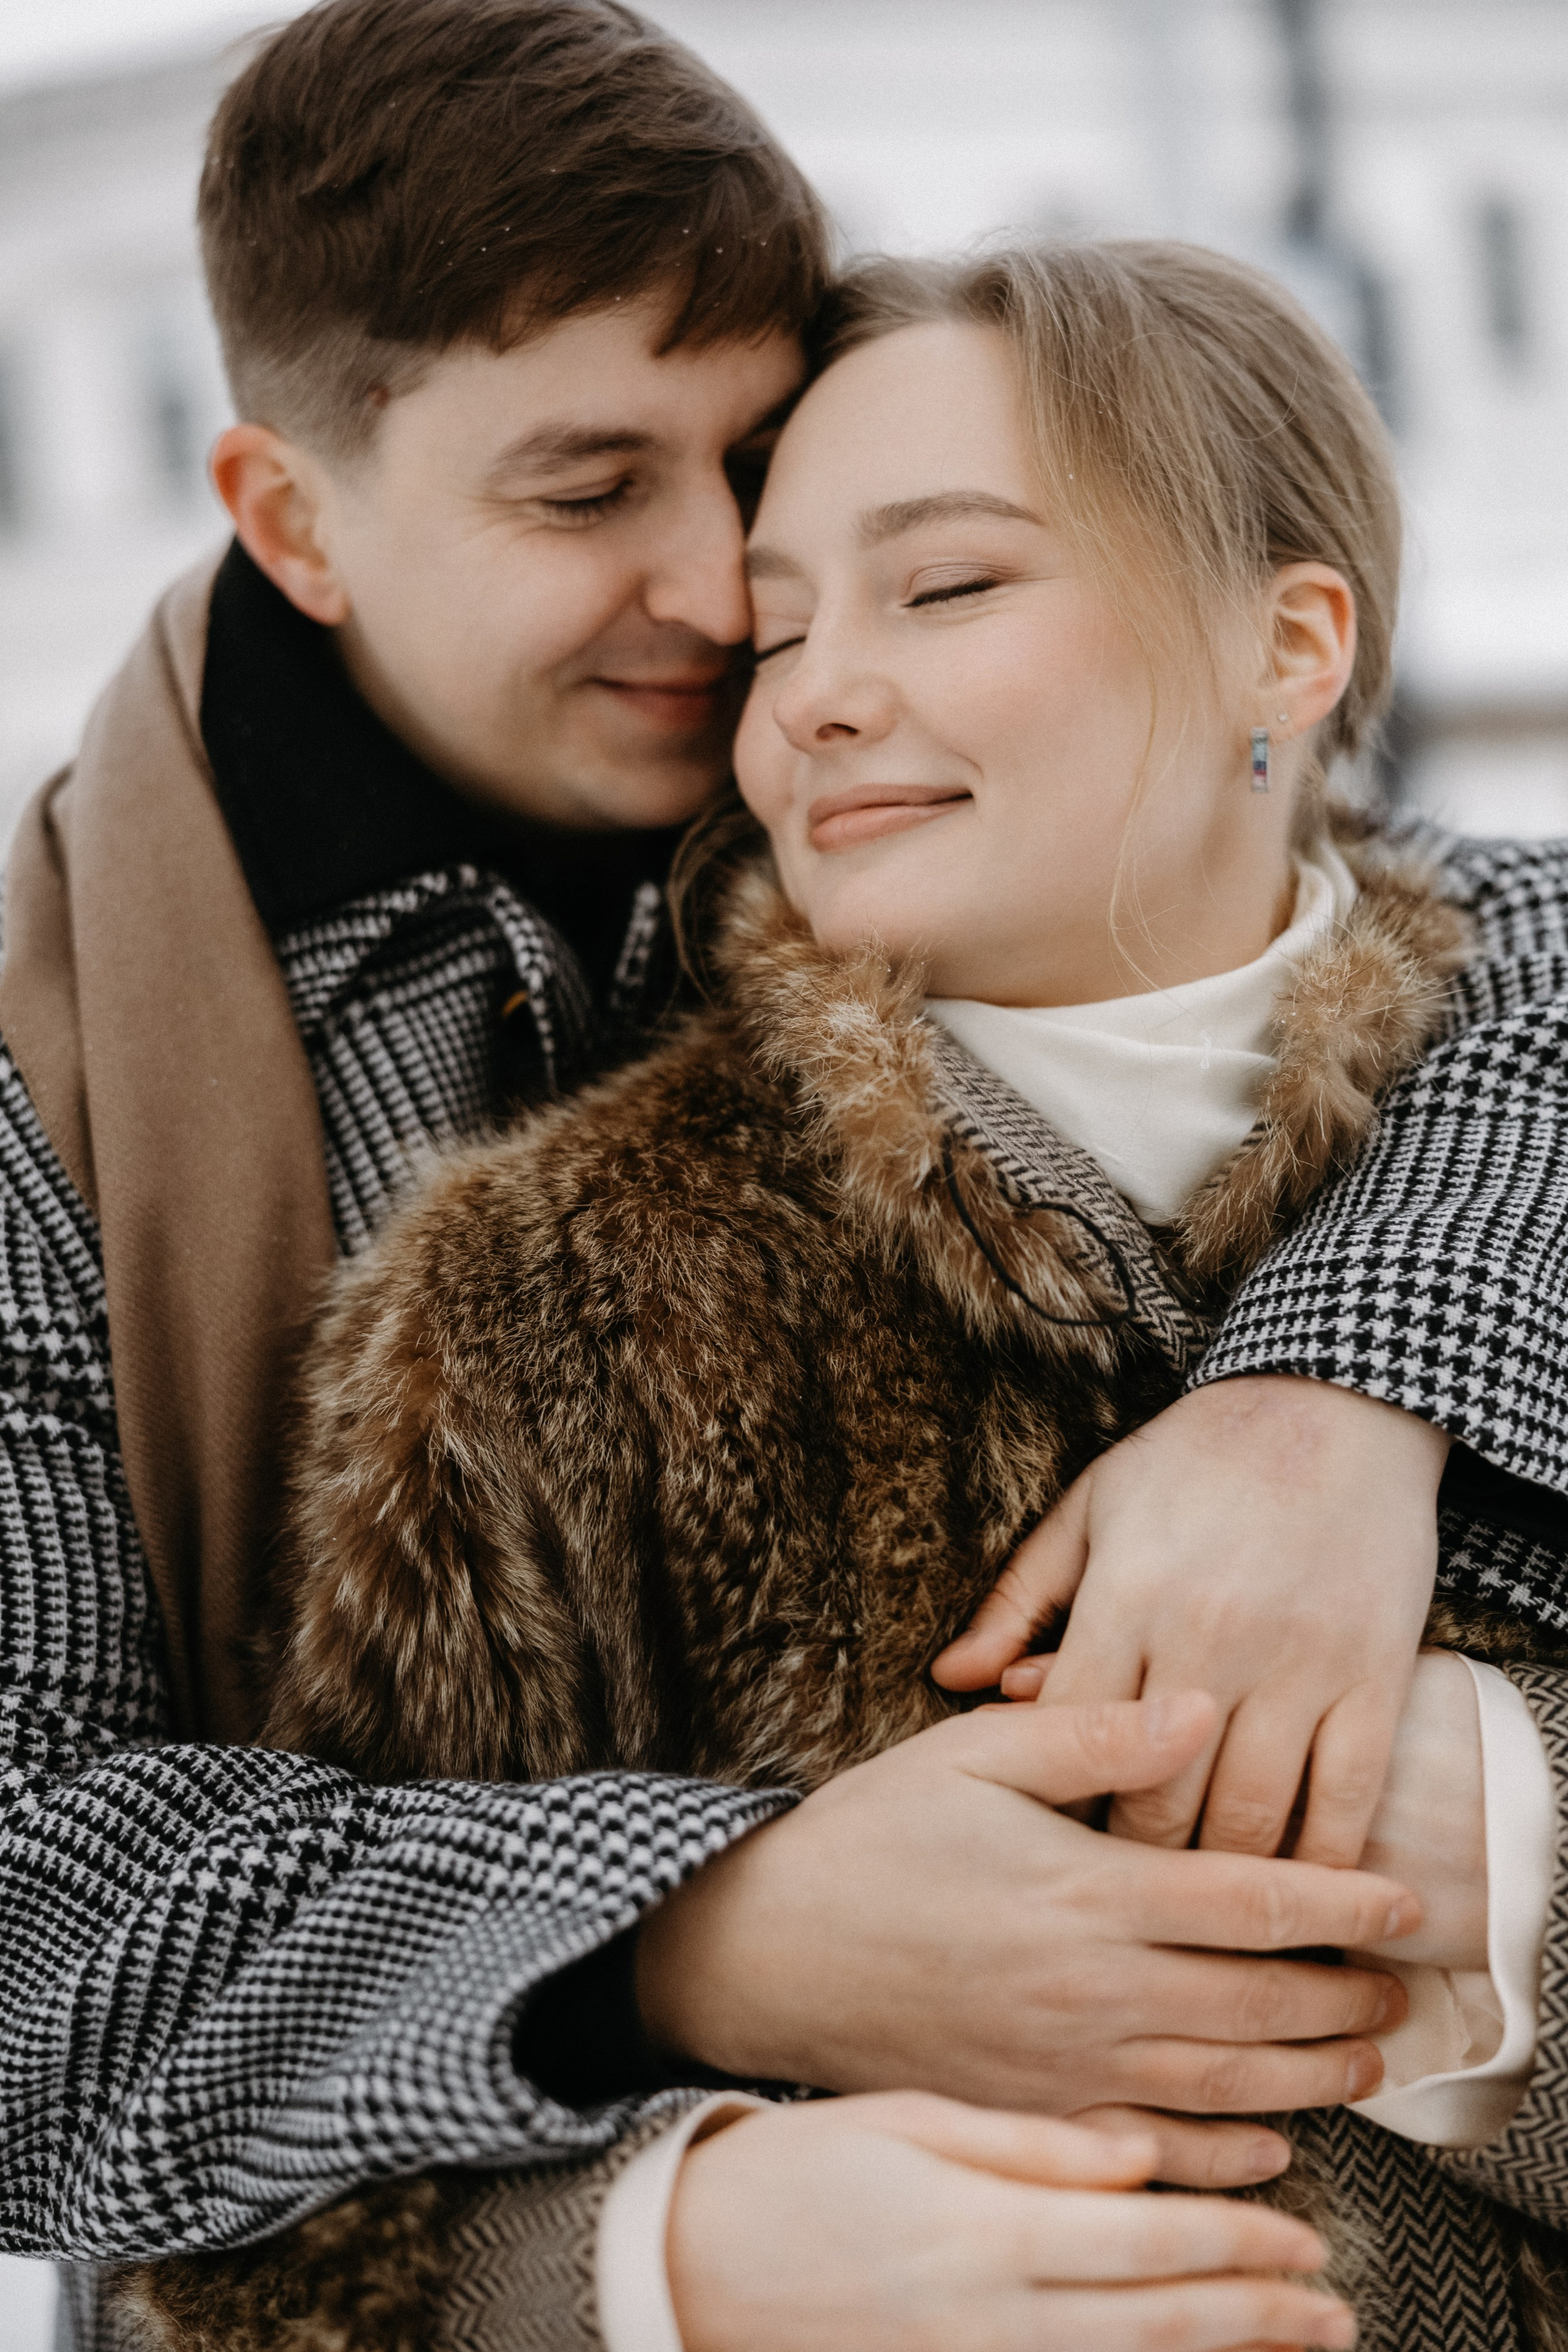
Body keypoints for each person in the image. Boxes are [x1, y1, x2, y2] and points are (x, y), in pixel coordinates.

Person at [0, 0, 1561, 2344]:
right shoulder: (91, 1097)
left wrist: (1334, 1397)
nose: (737, 593)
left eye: (768, 468)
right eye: (583, 487)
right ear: (288, 519)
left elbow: (1470, 927)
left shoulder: (935, 829)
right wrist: (709, 1962)